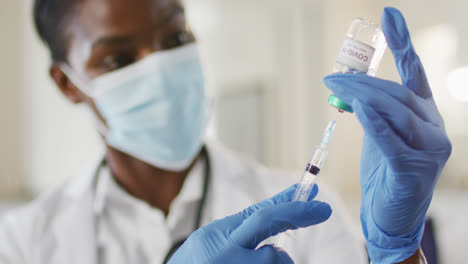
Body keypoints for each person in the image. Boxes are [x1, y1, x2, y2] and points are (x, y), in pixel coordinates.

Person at [0, 0, 451, 263]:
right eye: (118, 60)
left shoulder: (311, 209)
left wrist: (399, 255)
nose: (159, 69)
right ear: (66, 83)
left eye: (175, 40)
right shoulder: (24, 242)